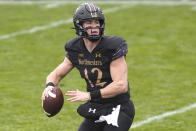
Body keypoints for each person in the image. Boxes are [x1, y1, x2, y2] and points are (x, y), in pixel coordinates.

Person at [42, 3, 135, 131]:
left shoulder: (112, 47)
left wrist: (89, 95)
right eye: (89, 22)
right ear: (79, 25)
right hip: (96, 107)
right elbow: (56, 74)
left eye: (97, 22)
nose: (94, 26)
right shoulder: (75, 48)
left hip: (118, 108)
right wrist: (49, 86)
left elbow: (121, 85)